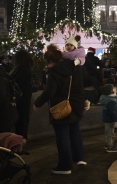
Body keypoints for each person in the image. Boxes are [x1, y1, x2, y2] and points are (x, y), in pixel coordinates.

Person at [33, 44, 88, 175]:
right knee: (75, 131)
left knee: (62, 136)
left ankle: (65, 166)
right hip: (76, 104)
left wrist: (37, 103)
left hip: (61, 106)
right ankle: (79, 158)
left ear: (50, 61)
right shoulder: (76, 67)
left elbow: (50, 92)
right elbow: (82, 84)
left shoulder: (55, 72)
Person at [11, 50, 34, 143]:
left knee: (22, 118)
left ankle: (21, 139)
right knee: (22, 118)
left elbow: (18, 82)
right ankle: (21, 138)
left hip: (22, 97)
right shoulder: (25, 68)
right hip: (24, 96)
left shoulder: (22, 69)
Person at [99, 83, 117, 152]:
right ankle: (110, 146)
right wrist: (116, 120)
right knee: (110, 133)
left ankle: (107, 144)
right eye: (114, 88)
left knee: (108, 132)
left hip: (107, 118)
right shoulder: (111, 101)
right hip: (110, 119)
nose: (116, 89)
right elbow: (113, 112)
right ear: (111, 91)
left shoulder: (107, 99)